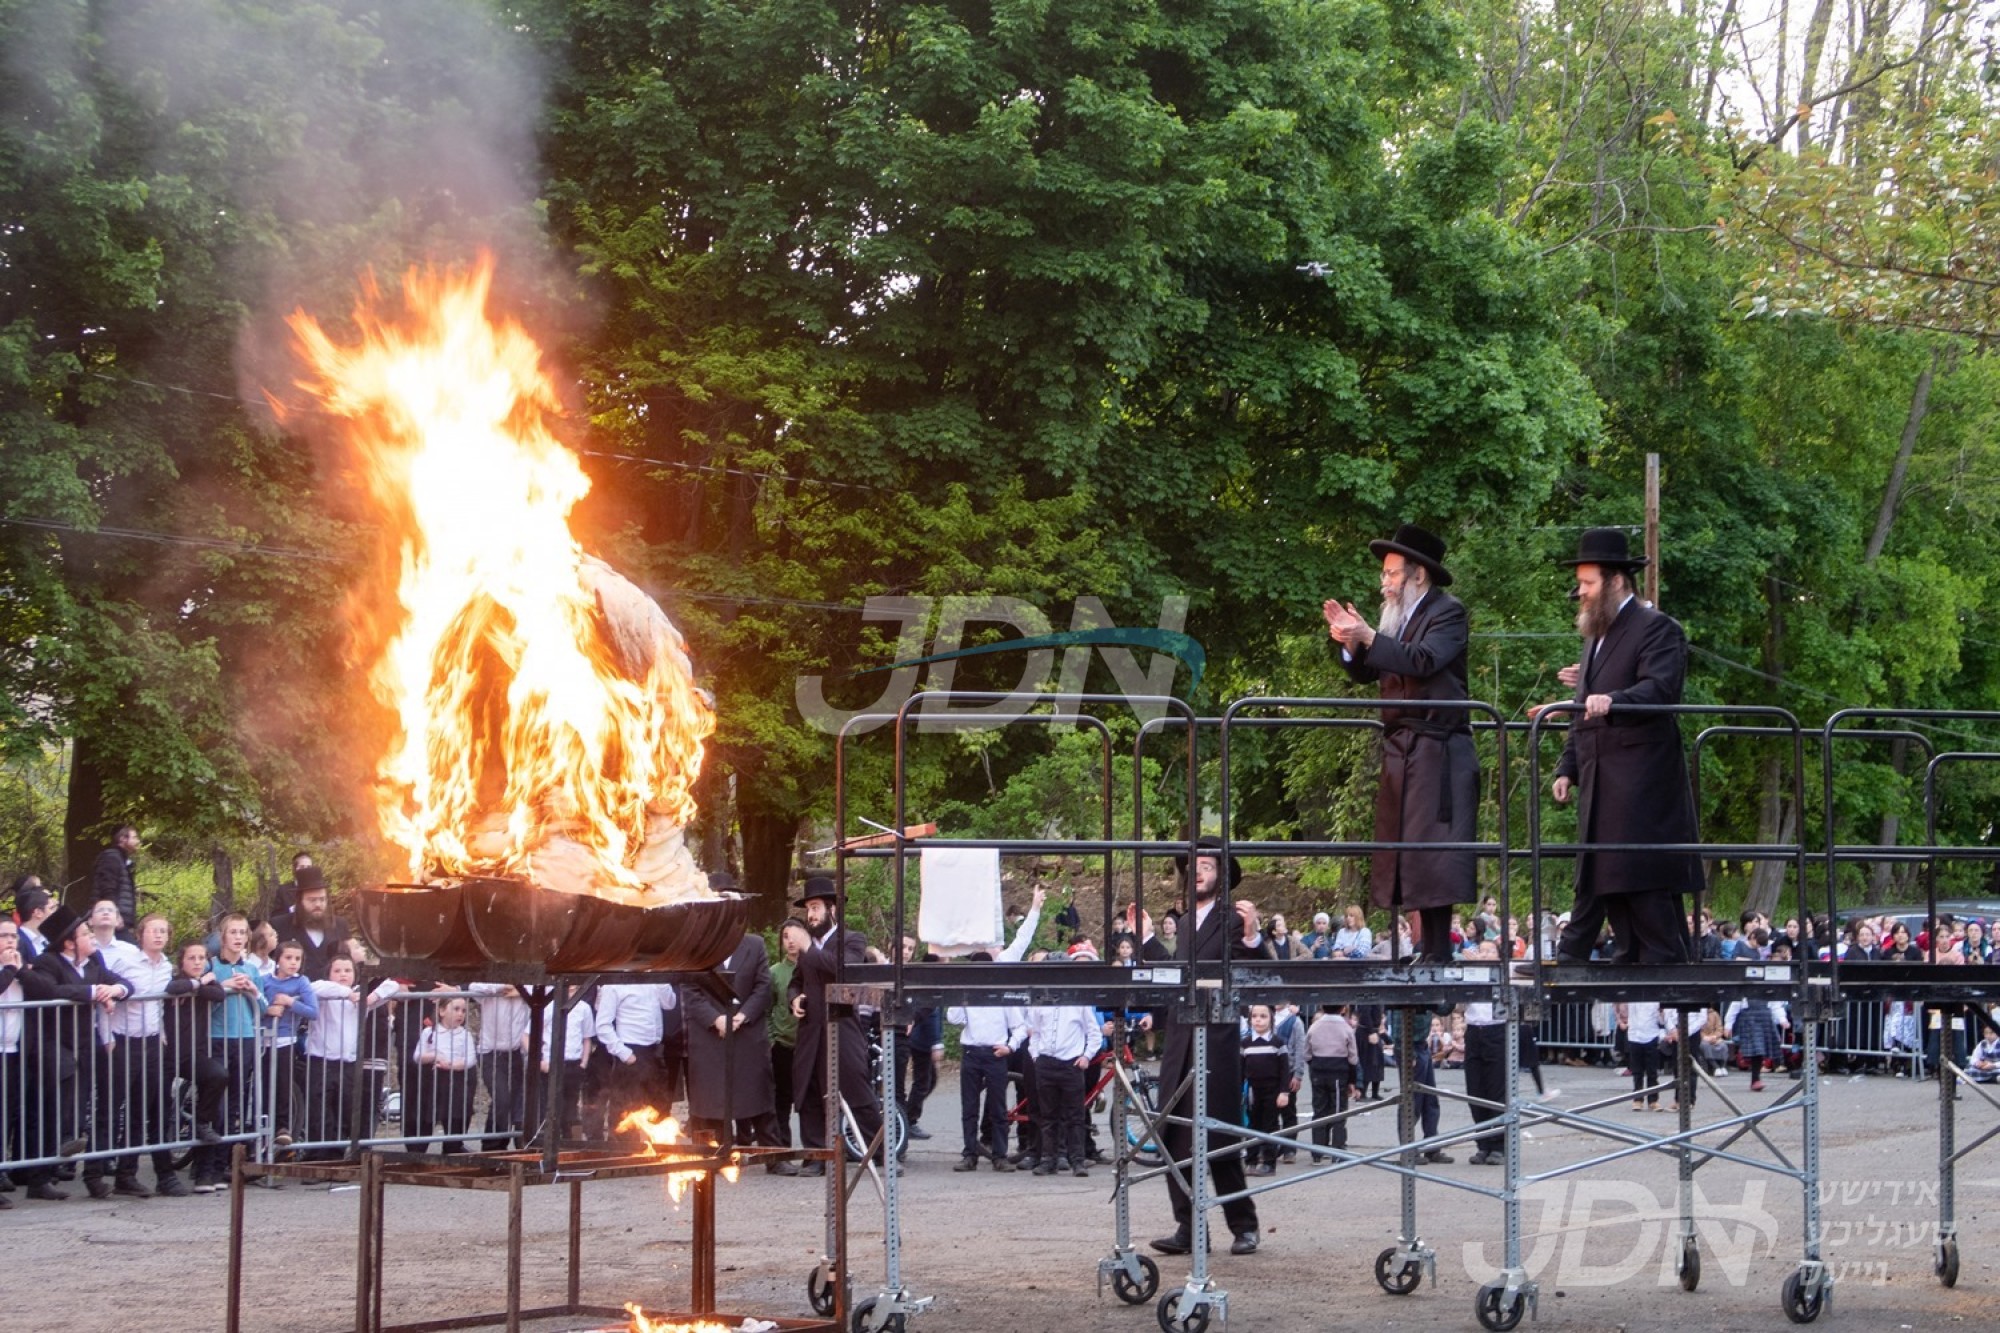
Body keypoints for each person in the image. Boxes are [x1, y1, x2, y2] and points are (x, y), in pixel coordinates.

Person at [1325, 523, 1480, 964]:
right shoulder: (1399, 618)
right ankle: (1423, 947)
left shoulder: (1448, 612)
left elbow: (1423, 660)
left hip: (1438, 745)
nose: (1385, 583)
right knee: (1408, 850)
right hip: (1402, 746)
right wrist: (1350, 643)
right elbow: (1368, 671)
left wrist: (1369, 637)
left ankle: (1438, 951)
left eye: (1392, 573)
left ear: (1418, 575)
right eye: (1384, 574)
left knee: (1435, 851)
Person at [1548, 528, 1704, 965]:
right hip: (1601, 772)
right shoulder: (1595, 637)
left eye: (1588, 583)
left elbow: (1660, 690)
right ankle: (1625, 948)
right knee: (1603, 866)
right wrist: (1568, 767)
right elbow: (1584, 708)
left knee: (1636, 869)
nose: (1580, 592)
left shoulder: (1658, 629)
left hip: (1641, 773)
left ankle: (1661, 955)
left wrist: (1614, 700)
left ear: (1617, 581)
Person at [1150, 837, 1264, 1258]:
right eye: (1194, 865)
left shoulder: (1232, 918)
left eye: (1209, 866)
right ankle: (1188, 1226)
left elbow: (1258, 975)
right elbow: (1175, 976)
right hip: (1179, 1039)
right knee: (1174, 1138)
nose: (1198, 870)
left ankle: (1244, 1224)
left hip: (1215, 1039)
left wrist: (1252, 936)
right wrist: (1146, 940)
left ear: (1222, 875)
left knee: (1218, 1136)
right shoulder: (1181, 923)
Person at [25, 905, 135, 1199]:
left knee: (91, 1098)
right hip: (52, 1042)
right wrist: (91, 992)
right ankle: (40, 1175)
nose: (91, 938)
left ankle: (84, 1164)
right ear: (69, 943)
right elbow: (49, 991)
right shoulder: (48, 962)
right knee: (52, 1104)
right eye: (85, 933)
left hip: (86, 1044)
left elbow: (125, 984)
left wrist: (113, 992)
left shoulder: (94, 962)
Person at [787, 876, 883, 1174]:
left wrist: (808, 948)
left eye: (816, 908)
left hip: (842, 1026)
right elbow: (796, 982)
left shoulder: (852, 940)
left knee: (856, 1089)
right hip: (811, 1030)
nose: (811, 915)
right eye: (808, 909)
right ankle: (817, 1157)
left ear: (832, 910)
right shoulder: (807, 948)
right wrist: (794, 999)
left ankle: (882, 1153)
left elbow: (842, 970)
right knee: (810, 1093)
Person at [682, 921, 793, 1172]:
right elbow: (689, 989)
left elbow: (763, 987)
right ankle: (714, 1156)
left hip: (747, 1032)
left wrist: (741, 1017)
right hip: (709, 1034)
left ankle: (773, 1157)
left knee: (759, 1094)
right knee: (710, 1097)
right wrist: (715, 1019)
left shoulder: (754, 944)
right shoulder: (698, 945)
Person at [106, 912, 178, 1196]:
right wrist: (108, 1037)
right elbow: (111, 998)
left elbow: (158, 1006)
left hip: (151, 1042)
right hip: (125, 1041)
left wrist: (160, 1034)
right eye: (153, 930)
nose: (159, 935)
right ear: (142, 935)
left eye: (164, 931)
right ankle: (111, 1171)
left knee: (147, 1108)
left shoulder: (166, 967)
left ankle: (131, 1173)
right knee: (120, 1110)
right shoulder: (126, 962)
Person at [1025, 961, 1102, 1177]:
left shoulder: (1079, 1002)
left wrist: (1086, 1056)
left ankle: (1077, 1160)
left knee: (1075, 1115)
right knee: (1048, 1115)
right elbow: (1035, 1032)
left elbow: (1094, 1033)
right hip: (1046, 1062)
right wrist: (1036, 1055)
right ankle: (1048, 1159)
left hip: (1070, 1064)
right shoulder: (1041, 1002)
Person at [595, 980, 678, 1144]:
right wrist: (624, 1053)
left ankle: (661, 1151)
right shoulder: (614, 985)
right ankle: (623, 1156)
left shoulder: (653, 981)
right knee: (626, 1109)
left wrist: (660, 975)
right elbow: (603, 1025)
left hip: (654, 1051)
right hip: (630, 1052)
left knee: (659, 1104)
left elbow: (670, 1004)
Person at [260, 940, 319, 1148]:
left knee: (283, 1083)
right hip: (262, 1039)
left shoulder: (301, 982)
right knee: (262, 1085)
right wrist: (267, 1010)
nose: (293, 962)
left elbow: (313, 1011)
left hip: (285, 1039)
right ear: (278, 960)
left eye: (297, 959)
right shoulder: (264, 980)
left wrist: (290, 1002)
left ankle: (282, 1126)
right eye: (288, 958)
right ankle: (260, 1126)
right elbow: (254, 1003)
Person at [469, 981, 530, 1150]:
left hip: (515, 1052)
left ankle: (503, 1143)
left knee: (513, 1101)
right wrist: (499, 988)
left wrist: (520, 989)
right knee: (501, 1098)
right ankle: (491, 1145)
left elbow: (548, 987)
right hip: (490, 1053)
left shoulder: (527, 991)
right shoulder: (492, 986)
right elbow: (474, 987)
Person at [892, 934, 943, 1141]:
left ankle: (905, 1122)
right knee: (906, 1084)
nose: (906, 952)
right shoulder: (886, 969)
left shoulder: (917, 975)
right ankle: (905, 1122)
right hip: (905, 1037)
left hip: (911, 1036)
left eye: (910, 949)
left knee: (922, 1081)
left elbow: (929, 1008)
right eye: (903, 947)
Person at [414, 995, 479, 1154]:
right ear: (441, 1011)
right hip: (435, 1079)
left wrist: (450, 1065)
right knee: (428, 1115)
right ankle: (419, 1150)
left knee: (458, 1115)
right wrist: (434, 1055)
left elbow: (470, 1059)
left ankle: (452, 1147)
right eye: (456, 1009)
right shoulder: (429, 1032)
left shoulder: (465, 1034)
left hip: (457, 1079)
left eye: (463, 1010)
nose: (460, 1014)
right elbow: (418, 1056)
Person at [768, 919, 806, 1148]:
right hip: (782, 1045)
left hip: (808, 1044)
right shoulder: (774, 973)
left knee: (809, 1099)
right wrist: (772, 1039)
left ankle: (816, 1149)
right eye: (785, 937)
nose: (790, 942)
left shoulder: (813, 968)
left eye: (794, 936)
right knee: (781, 1100)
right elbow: (766, 1009)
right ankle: (782, 1148)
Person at [1240, 1006, 1290, 1175]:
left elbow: (1285, 1070)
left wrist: (1284, 1092)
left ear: (1271, 1019)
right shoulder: (1245, 1044)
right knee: (1252, 1125)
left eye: (1263, 1016)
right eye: (1254, 1016)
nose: (1258, 1020)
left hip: (1273, 1090)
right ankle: (1251, 1161)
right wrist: (1238, 1091)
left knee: (1270, 1125)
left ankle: (1269, 1163)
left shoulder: (1278, 1042)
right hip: (1253, 1090)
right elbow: (1239, 1070)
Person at [277, 868, 351, 981]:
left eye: (322, 900)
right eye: (312, 900)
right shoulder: (280, 925)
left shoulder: (340, 925)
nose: (318, 904)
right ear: (299, 901)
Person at [1304, 1006, 1357, 1151]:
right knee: (1339, 1111)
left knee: (1319, 1110)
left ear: (1322, 1007)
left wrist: (1314, 1065)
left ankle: (1318, 1150)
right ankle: (1338, 1148)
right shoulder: (1346, 1028)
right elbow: (1353, 1057)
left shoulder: (1314, 1027)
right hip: (1339, 1072)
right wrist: (1353, 1081)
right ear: (1343, 1008)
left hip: (1318, 1071)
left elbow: (1307, 1054)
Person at [91, 825, 141, 942]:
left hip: (121, 921)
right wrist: (115, 914)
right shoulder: (112, 858)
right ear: (123, 839)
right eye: (134, 837)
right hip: (114, 921)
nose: (138, 841)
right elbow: (107, 889)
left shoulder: (123, 861)